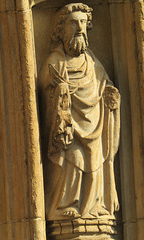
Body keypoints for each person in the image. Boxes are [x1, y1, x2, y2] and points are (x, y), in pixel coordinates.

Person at [39, 3, 120, 221]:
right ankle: (64, 205)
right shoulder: (54, 62)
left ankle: (94, 206)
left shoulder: (93, 63)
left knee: (96, 163)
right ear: (61, 28)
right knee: (73, 161)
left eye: (83, 22)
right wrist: (60, 93)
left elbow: (105, 85)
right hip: (69, 129)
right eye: (74, 23)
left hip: (95, 125)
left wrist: (111, 97)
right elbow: (44, 98)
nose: (80, 28)